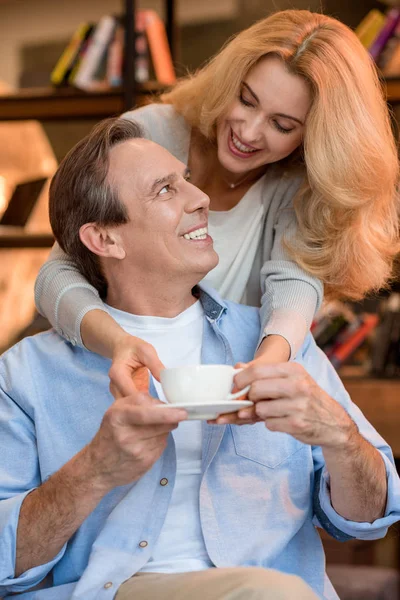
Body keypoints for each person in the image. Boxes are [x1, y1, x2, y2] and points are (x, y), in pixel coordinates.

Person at [1, 118, 400, 600]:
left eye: (186, 178)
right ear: (106, 239)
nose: (200, 197)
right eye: (167, 190)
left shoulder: (276, 344)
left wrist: (337, 433)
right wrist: (95, 469)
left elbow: (368, 519)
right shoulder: (27, 374)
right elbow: (6, 562)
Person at [34, 9, 399, 402]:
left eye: (282, 125)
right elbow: (57, 273)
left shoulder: (298, 183)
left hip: (216, 392)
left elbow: (294, 282)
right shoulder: (146, 137)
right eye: (245, 100)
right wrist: (120, 344)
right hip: (105, 375)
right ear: (230, 80)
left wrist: (267, 364)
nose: (248, 131)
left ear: (313, 137)